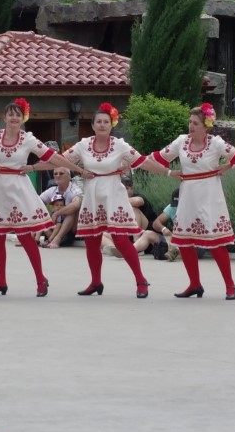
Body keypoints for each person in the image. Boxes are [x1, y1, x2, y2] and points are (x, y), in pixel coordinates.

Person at [152, 103, 235, 301]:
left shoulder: (216, 143)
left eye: (195, 123)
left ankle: (230, 285)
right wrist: (163, 170)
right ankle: (194, 284)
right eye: (190, 122)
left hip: (210, 199)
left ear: (206, 126)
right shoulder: (181, 142)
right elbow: (157, 158)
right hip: (188, 198)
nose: (191, 126)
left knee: (216, 243)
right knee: (185, 243)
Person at [0, 99, 76, 297]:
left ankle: (40, 280)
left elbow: (53, 157)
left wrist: (75, 168)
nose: (14, 118)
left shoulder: (28, 139)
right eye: (10, 114)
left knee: (24, 236)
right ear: (4, 118)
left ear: (23, 118)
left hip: (19, 188)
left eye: (18, 114)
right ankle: (1, 281)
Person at [65, 103, 172, 298]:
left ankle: (141, 280)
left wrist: (169, 172)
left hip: (113, 195)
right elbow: (61, 159)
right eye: (99, 121)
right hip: (92, 197)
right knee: (92, 242)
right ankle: (96, 282)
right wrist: (79, 171)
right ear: (93, 125)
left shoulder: (119, 145)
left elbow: (142, 161)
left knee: (121, 241)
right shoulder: (84, 144)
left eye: (106, 121)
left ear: (112, 124)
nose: (102, 125)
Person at [102, 175, 166, 259]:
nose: (123, 192)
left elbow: (137, 201)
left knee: (133, 209)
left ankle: (136, 242)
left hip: (146, 234)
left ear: (132, 188)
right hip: (128, 237)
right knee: (100, 234)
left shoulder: (139, 197)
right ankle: (115, 249)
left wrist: (118, 200)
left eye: (125, 189)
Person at [37, 167, 82, 248]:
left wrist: (57, 213)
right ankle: (33, 238)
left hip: (70, 229)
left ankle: (57, 239)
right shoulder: (52, 190)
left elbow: (76, 204)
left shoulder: (74, 189)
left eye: (61, 173)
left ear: (69, 176)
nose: (58, 176)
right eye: (55, 174)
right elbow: (37, 202)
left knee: (72, 210)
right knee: (39, 209)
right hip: (52, 229)